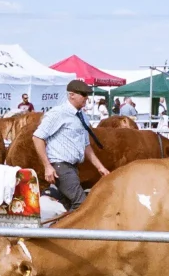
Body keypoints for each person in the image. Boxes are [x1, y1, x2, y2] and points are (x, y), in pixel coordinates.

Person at [32, 79, 110, 211]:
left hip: (72, 167)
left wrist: (100, 167)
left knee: (68, 205)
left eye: (88, 95)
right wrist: (47, 166)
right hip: (60, 167)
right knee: (82, 204)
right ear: (71, 95)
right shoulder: (58, 113)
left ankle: (59, 229)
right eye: (83, 94)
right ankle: (77, 231)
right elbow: (38, 137)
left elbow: (86, 146)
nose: (86, 98)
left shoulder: (83, 116)